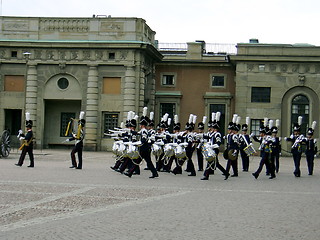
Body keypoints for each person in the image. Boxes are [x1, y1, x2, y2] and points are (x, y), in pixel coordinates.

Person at [201, 112, 229, 180]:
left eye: (213, 128)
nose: (211, 129)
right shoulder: (212, 134)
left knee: (210, 162)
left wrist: (211, 146)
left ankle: (206, 175)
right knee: (216, 164)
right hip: (211, 149)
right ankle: (226, 173)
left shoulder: (217, 134)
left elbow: (218, 143)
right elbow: (206, 136)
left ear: (215, 128)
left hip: (214, 150)